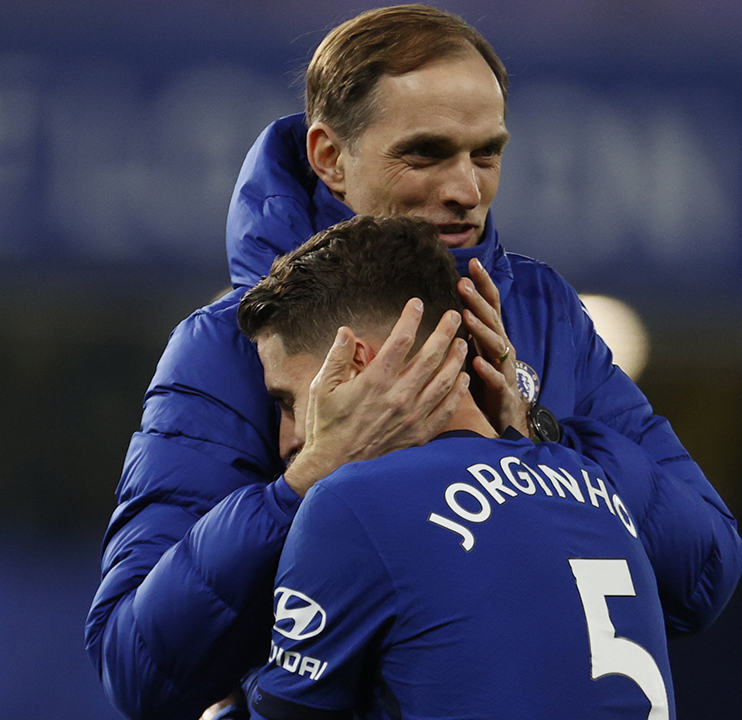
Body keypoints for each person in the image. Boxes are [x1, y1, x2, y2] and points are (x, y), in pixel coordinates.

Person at [85, 6, 742, 720]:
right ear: (330, 157)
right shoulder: (227, 349)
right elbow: (138, 667)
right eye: (426, 154)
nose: (466, 190)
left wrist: (538, 438)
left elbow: (705, 576)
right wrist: (305, 482)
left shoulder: (544, 318)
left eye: (486, 153)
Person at [240, 215, 691, 720]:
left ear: (358, 367)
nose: (286, 439)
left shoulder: (354, 506)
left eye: (285, 401)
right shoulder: (596, 488)